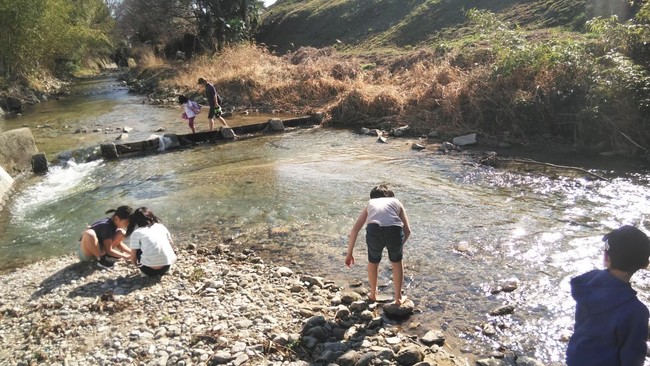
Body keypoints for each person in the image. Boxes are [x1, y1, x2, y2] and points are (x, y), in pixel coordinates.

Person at [566, 225, 650, 366]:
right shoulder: (636, 311)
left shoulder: (587, 282)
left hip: (576, 359)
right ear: (645, 264)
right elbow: (633, 356)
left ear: (606, 257)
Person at [345, 184, 411, 305]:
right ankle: (398, 298)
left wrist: (349, 253)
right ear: (391, 195)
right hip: (394, 230)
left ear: (373, 197)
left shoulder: (370, 203)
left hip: (374, 230)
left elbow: (355, 230)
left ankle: (373, 294)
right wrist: (399, 246)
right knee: (397, 262)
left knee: (373, 261)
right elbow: (408, 231)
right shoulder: (396, 202)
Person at [126, 207, 177, 277]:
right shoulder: (161, 227)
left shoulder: (136, 233)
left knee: (138, 247)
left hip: (148, 270)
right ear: (152, 217)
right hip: (166, 266)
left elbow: (133, 257)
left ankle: (145, 273)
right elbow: (171, 244)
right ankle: (166, 269)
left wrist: (136, 265)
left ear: (136, 221)